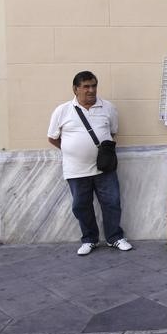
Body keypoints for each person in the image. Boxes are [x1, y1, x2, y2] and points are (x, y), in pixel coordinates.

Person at [48, 71, 133, 256]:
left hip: (104, 168)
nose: (91, 90)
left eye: (94, 85)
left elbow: (112, 133)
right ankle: (89, 240)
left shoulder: (108, 108)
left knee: (112, 202)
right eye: (86, 86)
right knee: (81, 205)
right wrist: (72, 151)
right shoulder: (62, 110)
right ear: (75, 89)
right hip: (75, 170)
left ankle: (114, 238)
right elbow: (52, 137)